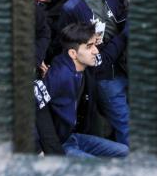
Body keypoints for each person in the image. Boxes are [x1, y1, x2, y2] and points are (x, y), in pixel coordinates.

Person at [58, 0, 129, 146]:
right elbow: (70, 46)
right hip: (103, 74)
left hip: (124, 66)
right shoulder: (72, 7)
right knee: (125, 123)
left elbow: (121, 19)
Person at [37, 22, 129, 158]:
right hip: (60, 145)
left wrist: (124, 34)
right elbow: (31, 105)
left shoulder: (83, 63)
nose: (96, 51)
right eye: (89, 47)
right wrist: (39, 150)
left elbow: (106, 57)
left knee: (125, 151)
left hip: (74, 137)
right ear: (73, 53)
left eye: (95, 45)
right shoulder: (60, 75)